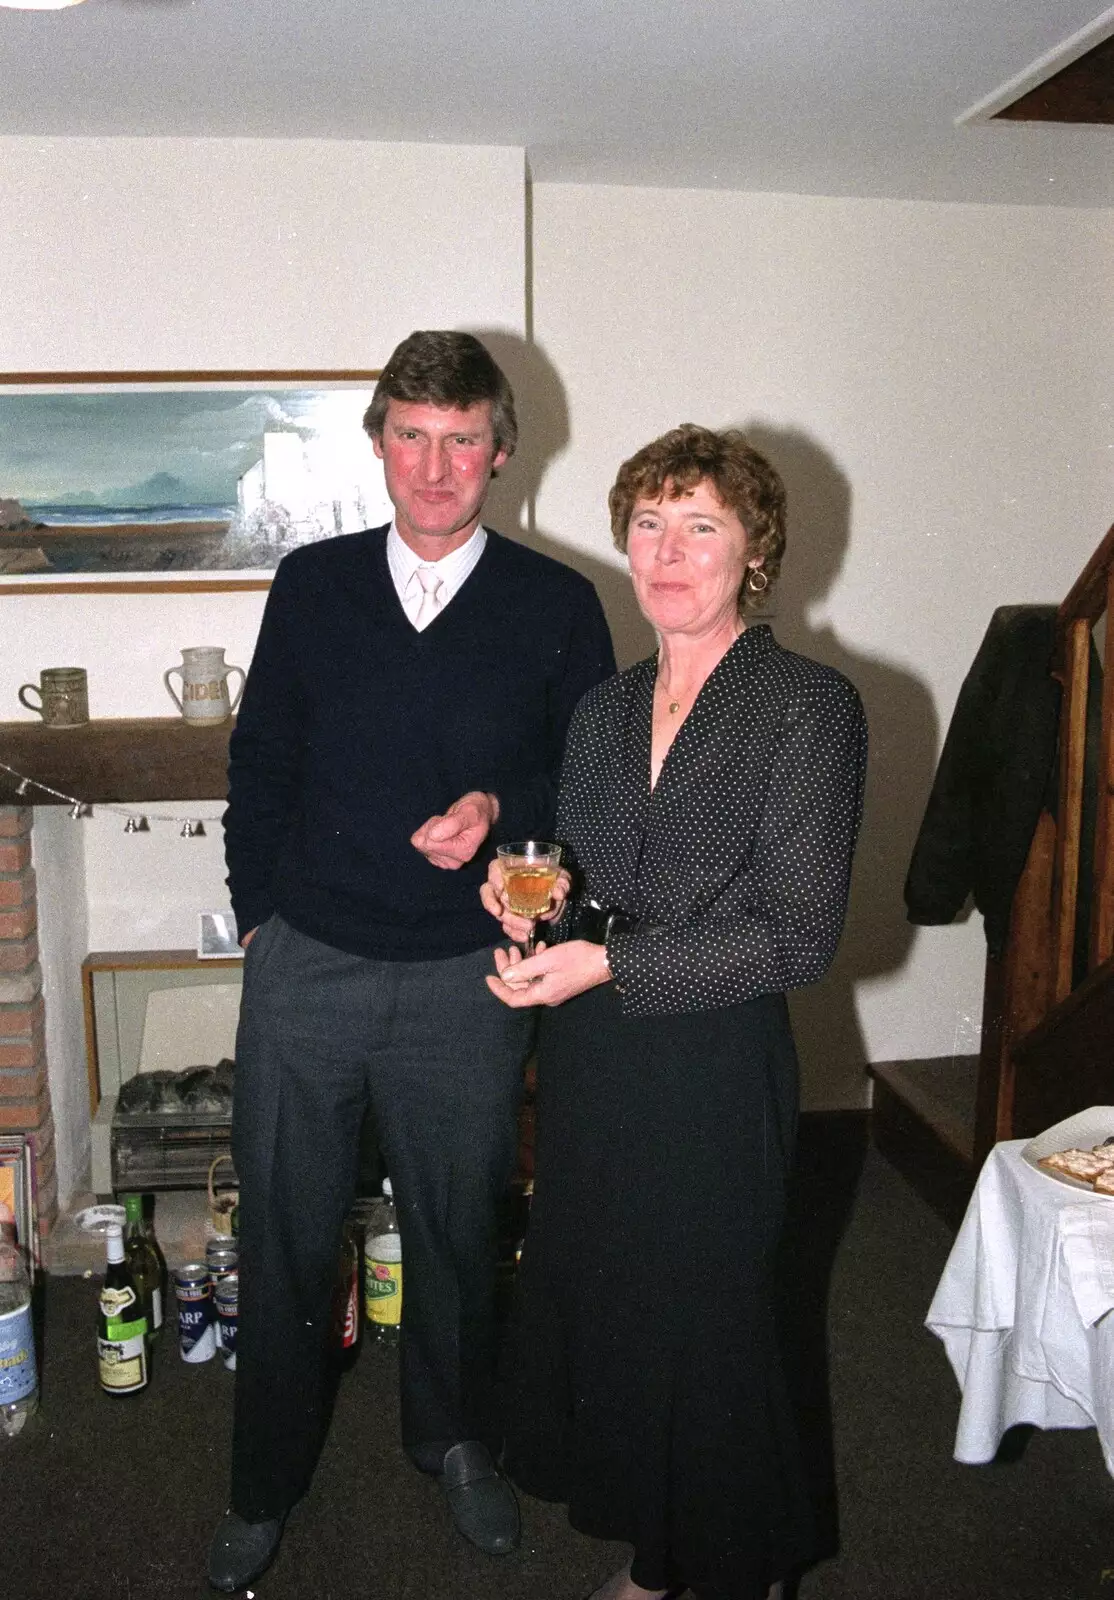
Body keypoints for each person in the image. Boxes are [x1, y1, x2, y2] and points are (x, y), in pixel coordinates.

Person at [208, 331, 615, 1592]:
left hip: (463, 979)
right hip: (310, 962)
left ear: (502, 451)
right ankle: (263, 1477)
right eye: (412, 436)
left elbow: (594, 781)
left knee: (453, 1230)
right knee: (282, 1232)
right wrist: (261, 919)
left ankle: (452, 1440)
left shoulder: (557, 604)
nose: (435, 466)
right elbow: (260, 764)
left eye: (462, 439)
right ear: (380, 442)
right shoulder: (313, 585)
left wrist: (499, 803)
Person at [481, 424, 868, 1600]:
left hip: (709, 1062)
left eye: (700, 523)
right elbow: (594, 886)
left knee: (713, 1335)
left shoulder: (808, 705)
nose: (668, 548)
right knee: (622, 1319)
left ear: (753, 551)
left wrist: (606, 965)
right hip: (599, 1067)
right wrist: (526, 903)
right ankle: (660, 1558)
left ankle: (739, 1570)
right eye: (649, 522)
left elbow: (795, 935)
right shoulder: (603, 708)